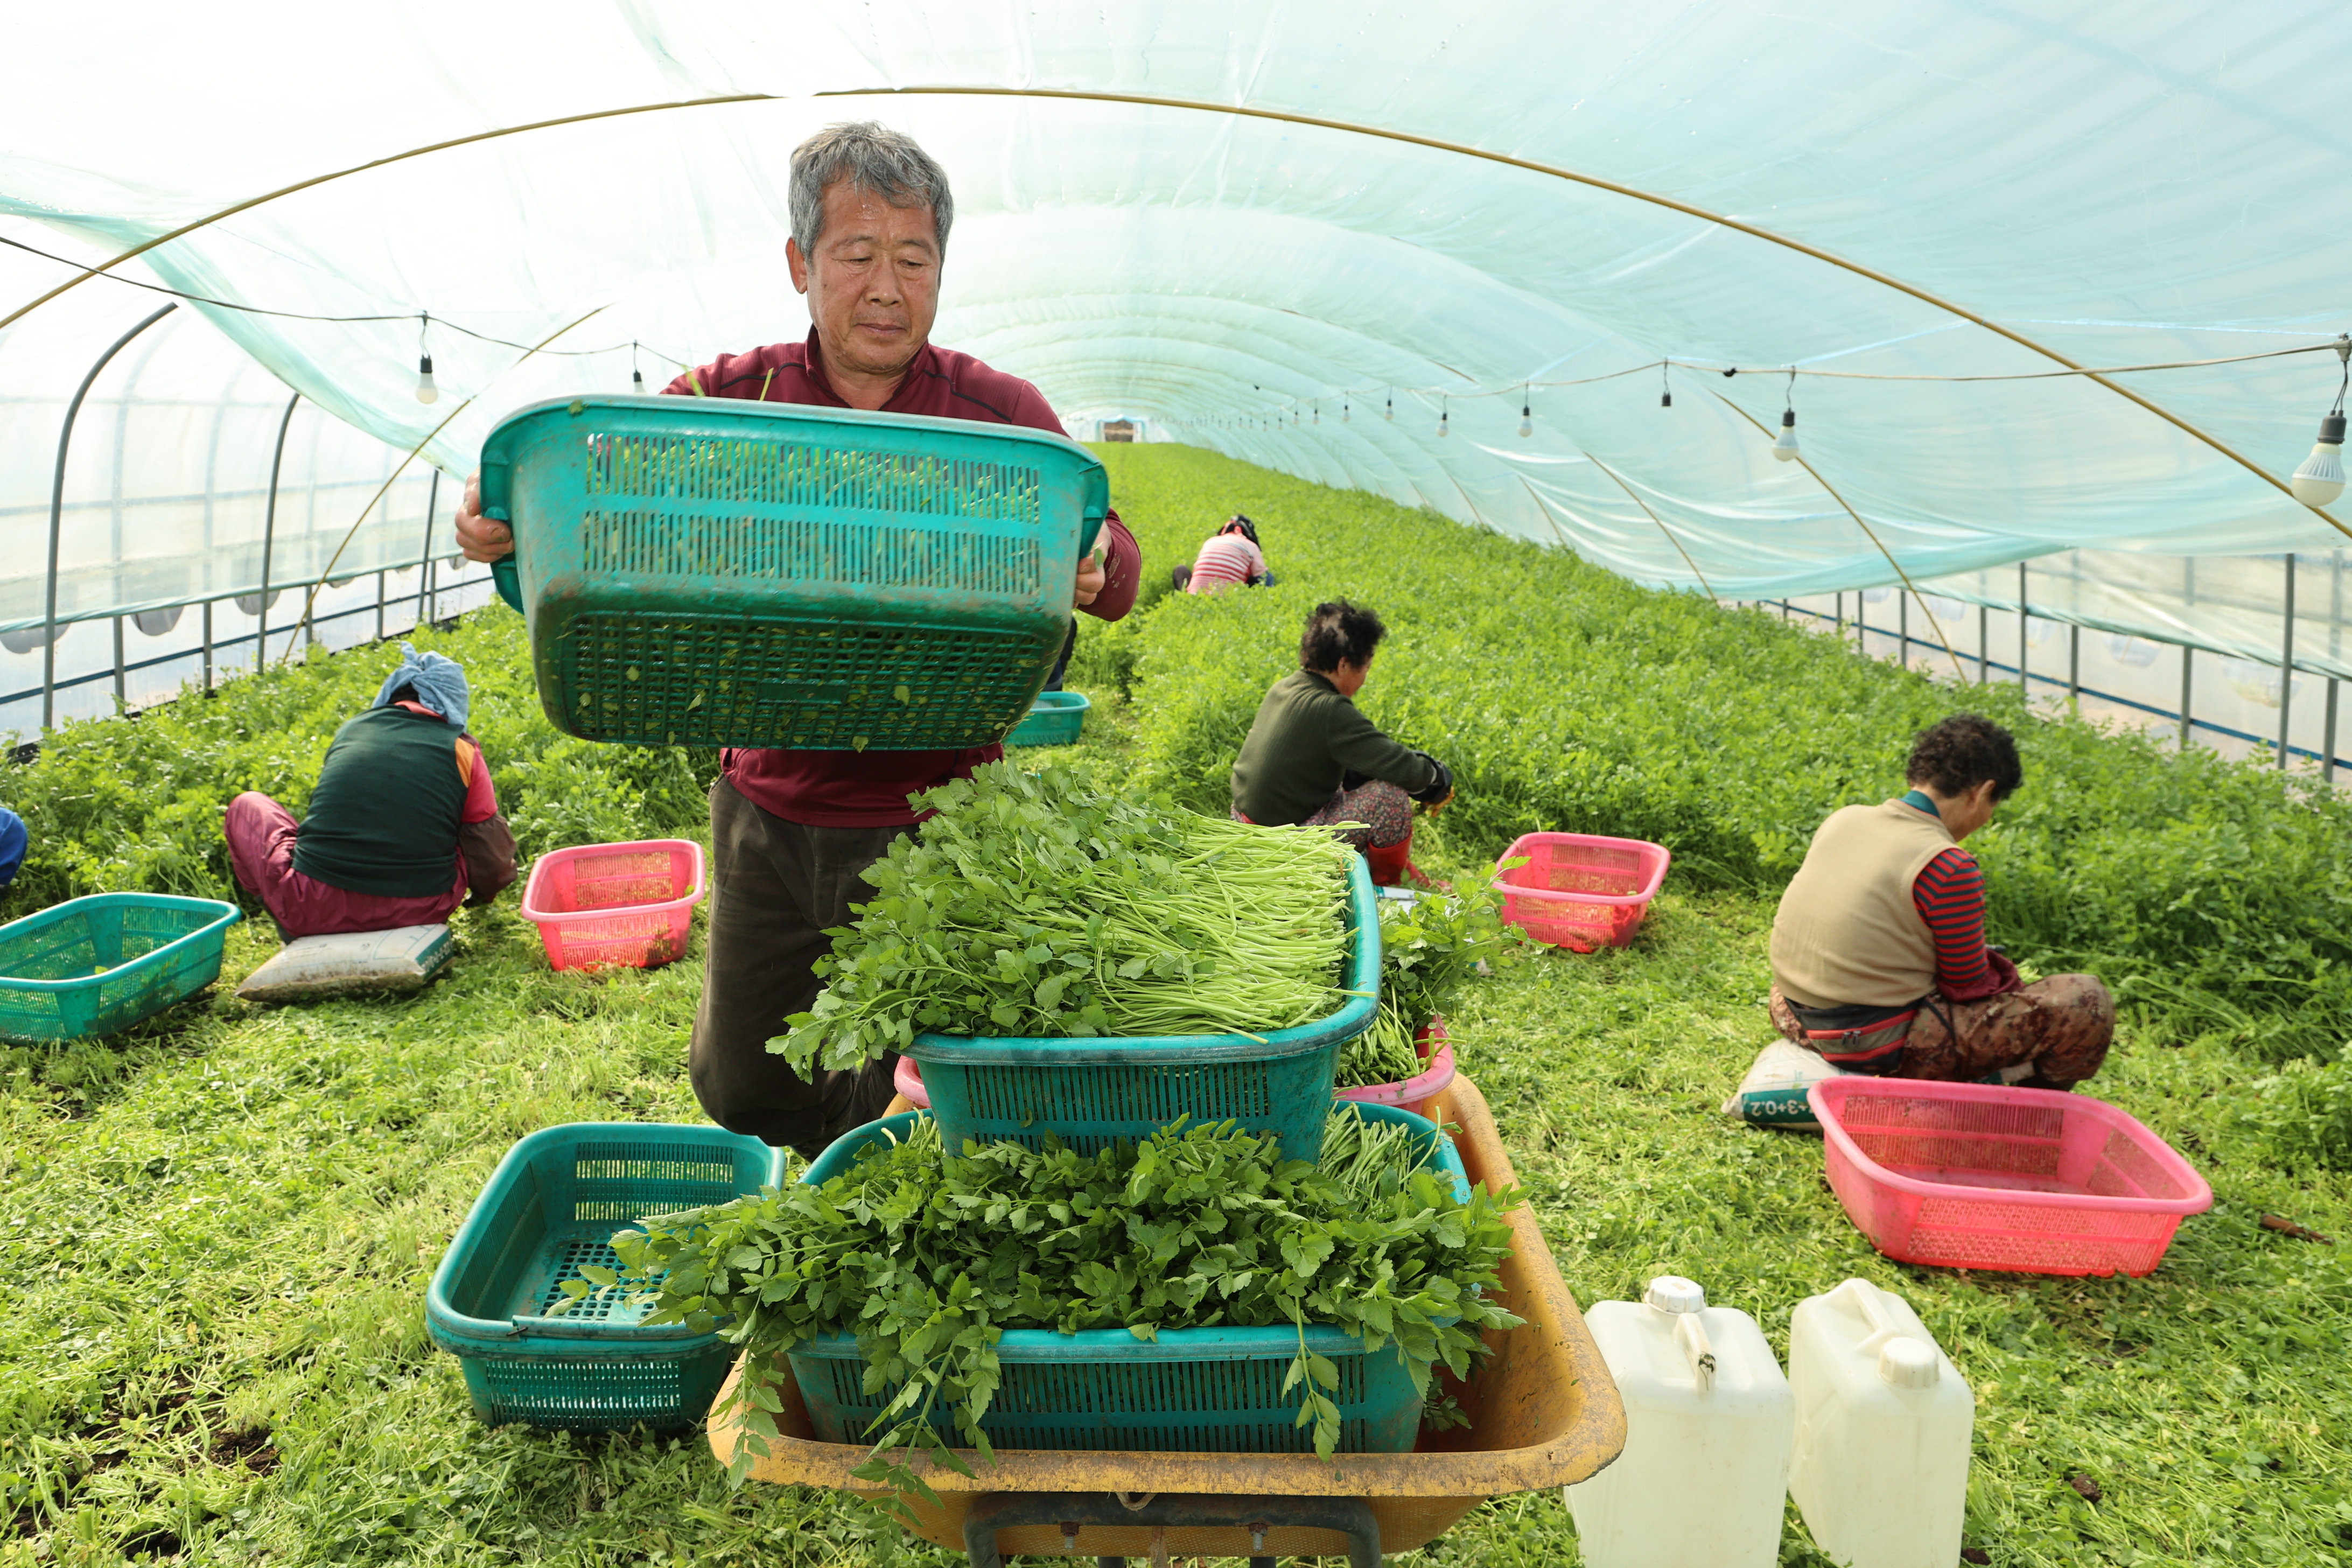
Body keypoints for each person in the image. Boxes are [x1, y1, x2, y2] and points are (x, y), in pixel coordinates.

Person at [456, 122, 1141, 1159]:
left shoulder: (996, 419)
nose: (884, 286)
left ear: (941, 274)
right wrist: (498, 514)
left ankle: (877, 1221)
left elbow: (1117, 557)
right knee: (744, 1076)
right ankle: (810, 1183)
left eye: (913, 260)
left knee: (916, 1083)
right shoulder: (737, 399)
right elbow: (605, 481)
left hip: (937, 814)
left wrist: (1092, 562)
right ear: (799, 265)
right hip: (767, 810)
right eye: (855, 255)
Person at [1768, 713, 2112, 1088]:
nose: (1986, 819)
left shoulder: (1844, 819)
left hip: (1792, 1012)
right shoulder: (1948, 865)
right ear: (1981, 793)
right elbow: (1967, 985)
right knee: (2085, 1000)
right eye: (1992, 806)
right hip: (1870, 1042)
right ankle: (2031, 1103)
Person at [223, 643, 517, 939]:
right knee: (468, 828)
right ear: (452, 704)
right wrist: (485, 898)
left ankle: (284, 916)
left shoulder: (352, 731)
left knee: (246, 805)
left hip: (311, 905)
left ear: (391, 695)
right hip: (420, 909)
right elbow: (486, 848)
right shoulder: (461, 747)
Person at [1229, 599, 1452, 885]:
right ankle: (1389, 883)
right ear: (1344, 665)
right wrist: (1436, 779)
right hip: (1282, 844)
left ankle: (1386, 869)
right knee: (1390, 797)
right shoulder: (1331, 710)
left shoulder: (1284, 687)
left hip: (1243, 825)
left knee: (1358, 776)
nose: (1365, 679)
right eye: (1366, 668)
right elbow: (1402, 767)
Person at [1187, 515, 1269, 593]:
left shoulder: (1210, 541)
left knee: (1181, 570)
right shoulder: (1251, 546)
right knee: (1266, 576)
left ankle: (1186, 594)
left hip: (1196, 595)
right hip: (1229, 597)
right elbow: (1262, 576)